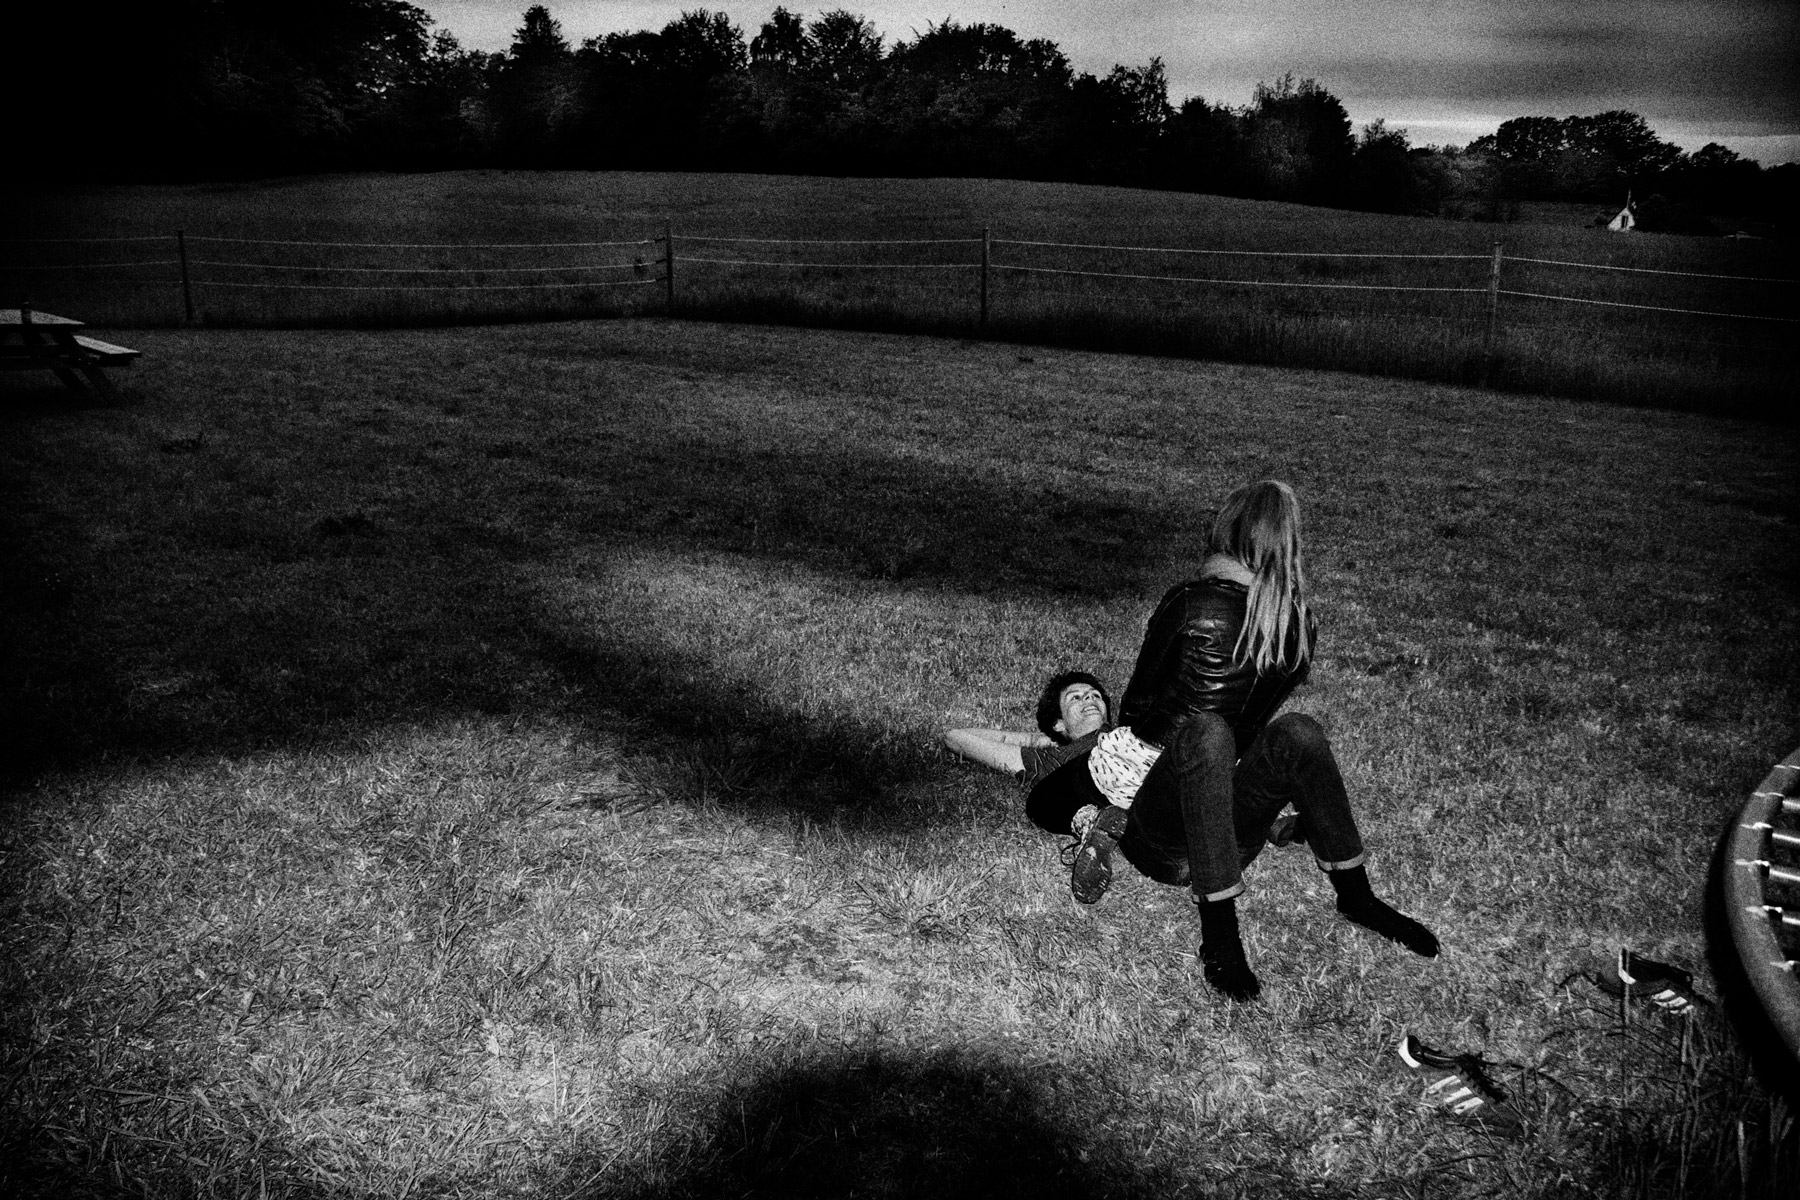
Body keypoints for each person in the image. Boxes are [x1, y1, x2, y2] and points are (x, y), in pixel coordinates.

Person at [1032, 479, 1439, 1003]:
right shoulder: (1298, 625)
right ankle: (1225, 934)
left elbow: (1134, 709)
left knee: (1291, 732)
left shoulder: (1191, 602)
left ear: (1227, 528)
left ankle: (1353, 899)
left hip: (1169, 838)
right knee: (1236, 733)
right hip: (1218, 825)